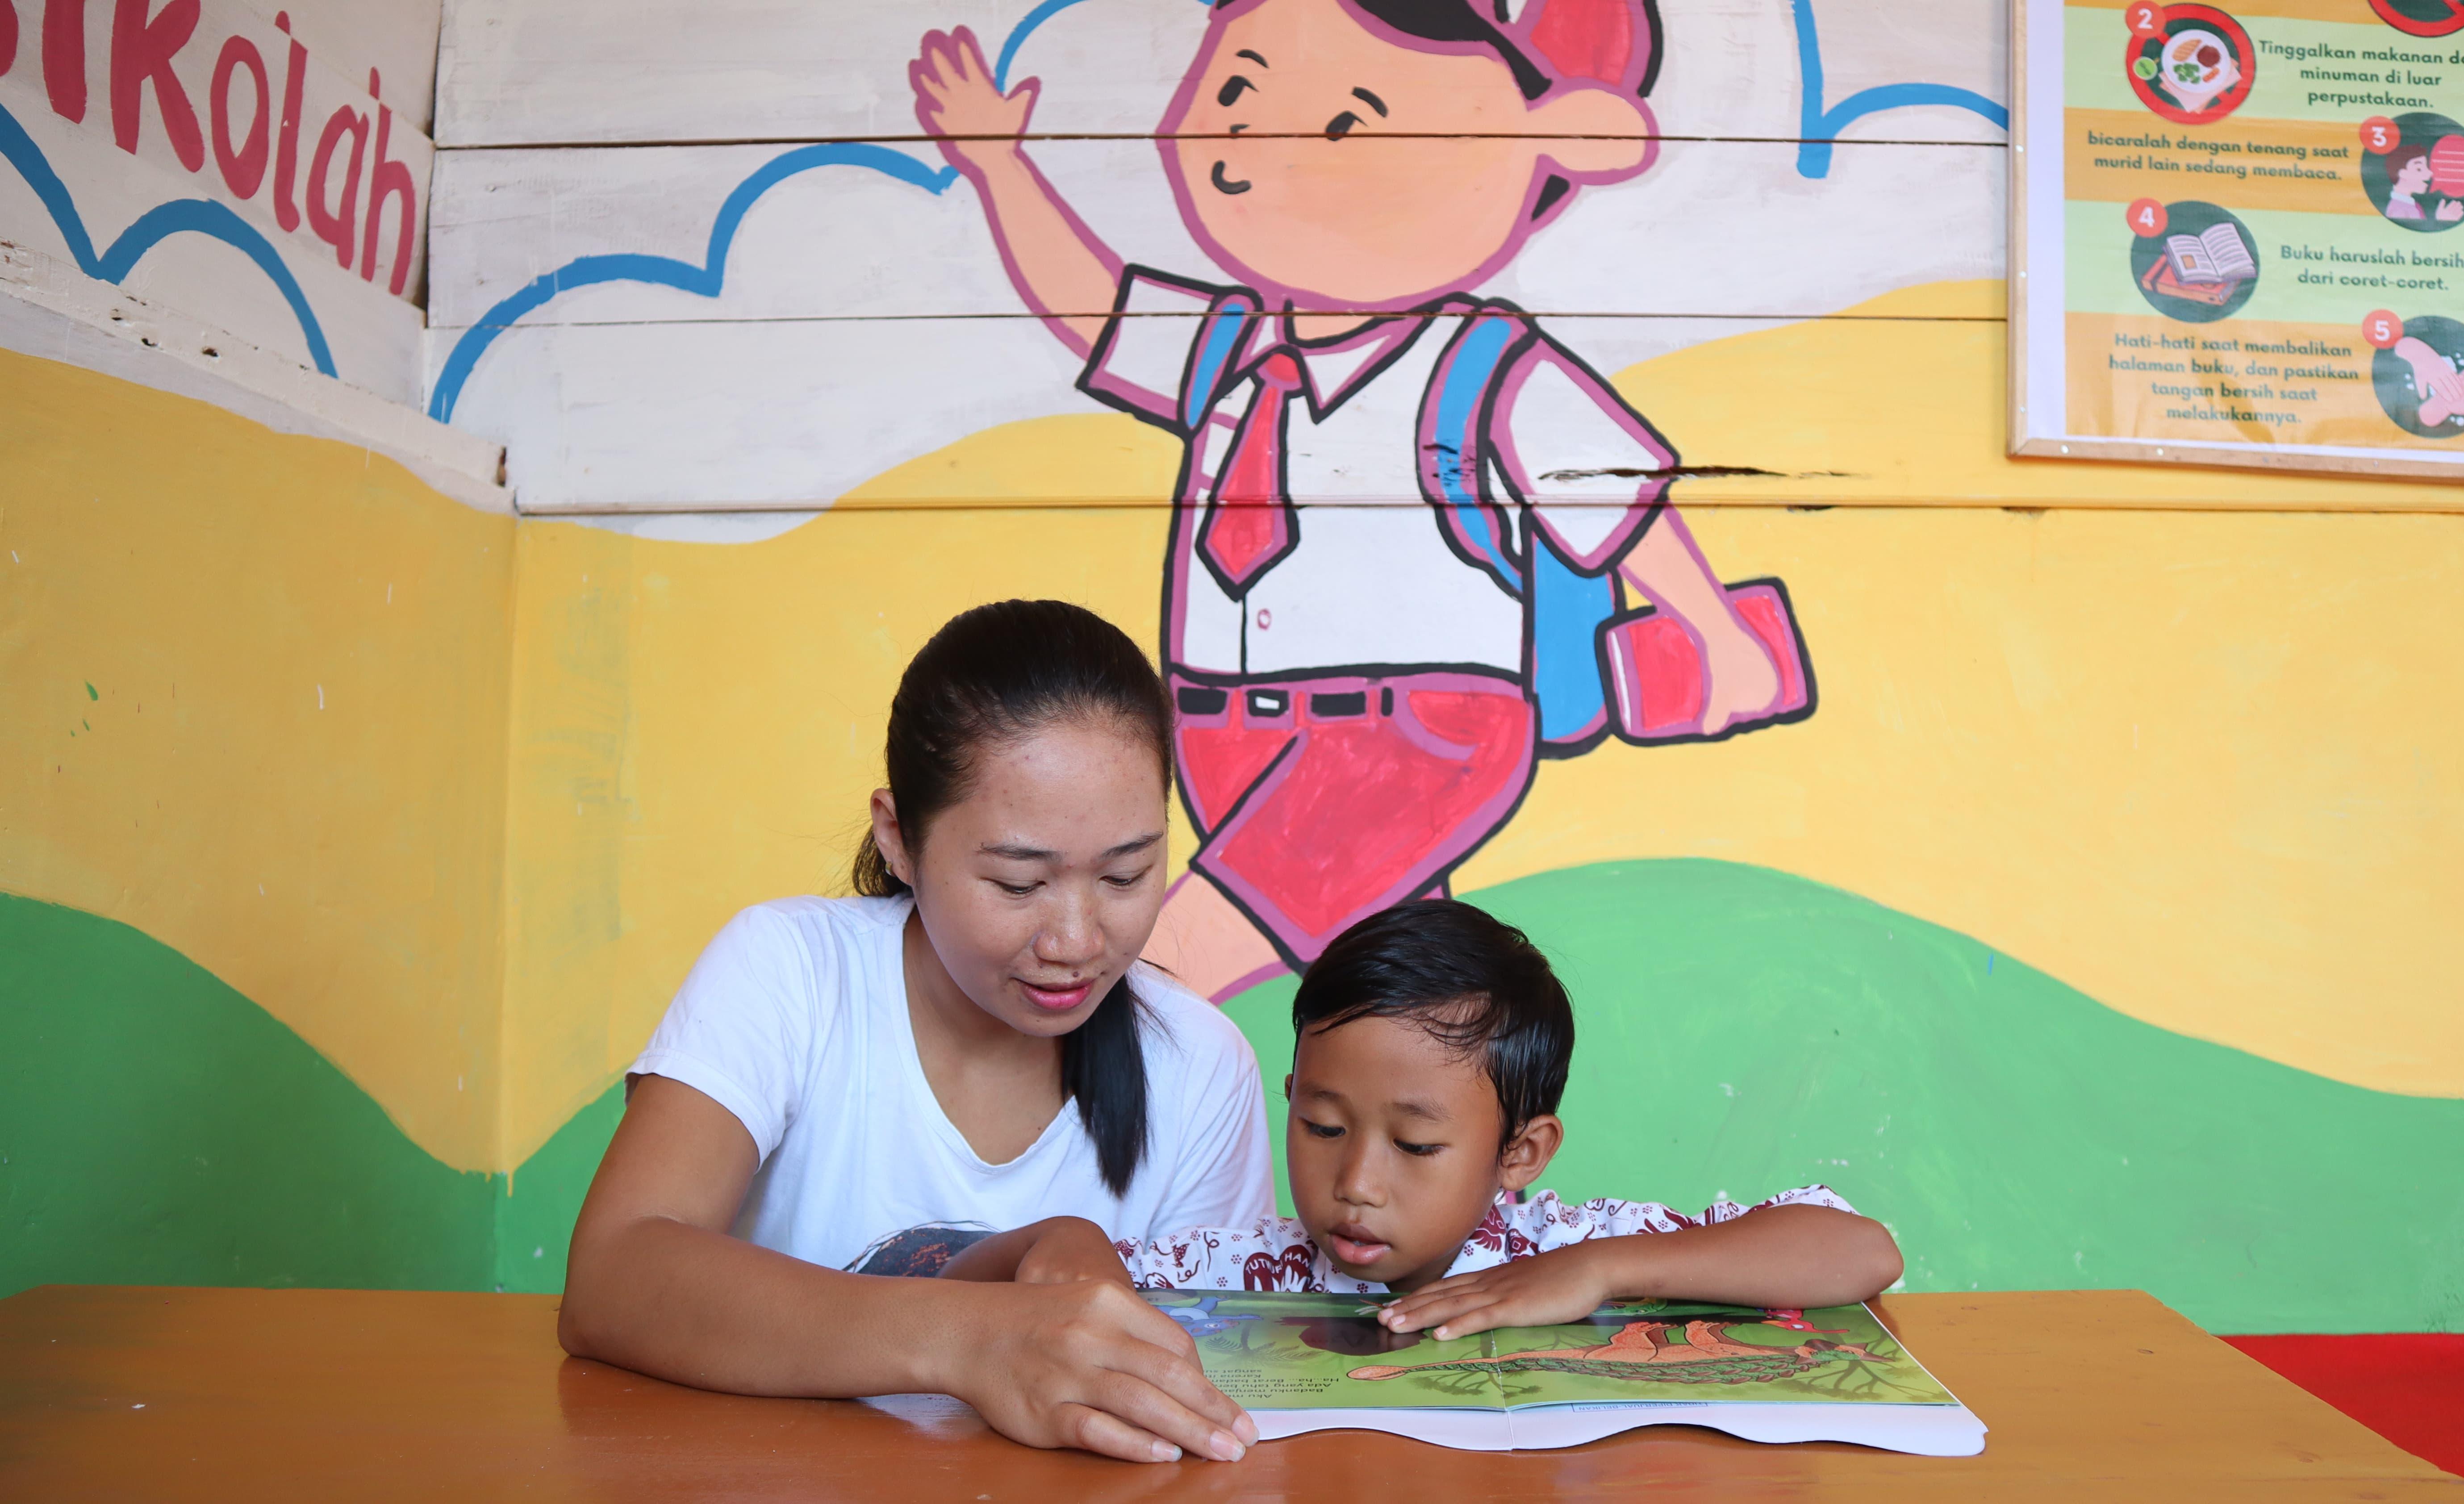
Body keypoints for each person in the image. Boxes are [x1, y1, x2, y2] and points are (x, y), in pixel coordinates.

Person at [910, 0, 1805, 1001]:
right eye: (1239, 89)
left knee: (1165, 969)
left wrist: (1716, 631)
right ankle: (1449, 1147)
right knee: (1400, 1003)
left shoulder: (1481, 365)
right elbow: (1097, 309)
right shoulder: (1230, 350)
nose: (1257, 139)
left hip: (1417, 740)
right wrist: (1002, 169)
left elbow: (1618, 503)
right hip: (1221, 732)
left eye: (1348, 119)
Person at [559, 600, 1276, 1465]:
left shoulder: (1199, 1067)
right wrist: (976, 1337)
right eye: (1018, 884)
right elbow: (614, 1279)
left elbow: (1195, 1402)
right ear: (899, 839)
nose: (1078, 941)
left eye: (1126, 873)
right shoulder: (793, 970)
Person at [945, 900, 1904, 1336]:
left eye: (1415, 1144)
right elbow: (950, 1274)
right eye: (1323, 1126)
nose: (1357, 1182)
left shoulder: (1569, 1247)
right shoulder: (1236, 1273)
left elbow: (1859, 1251)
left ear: (1520, 1151)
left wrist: (1603, 1269)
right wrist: (1060, 1237)